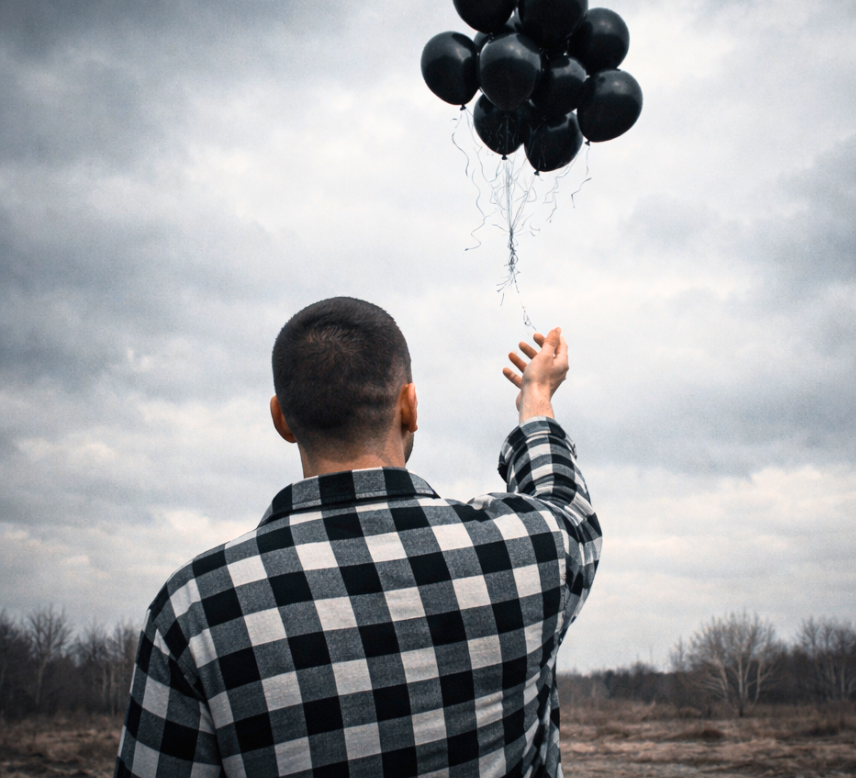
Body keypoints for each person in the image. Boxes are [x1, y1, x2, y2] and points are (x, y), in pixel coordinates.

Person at [115, 297, 601, 778]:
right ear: (409, 406)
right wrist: (536, 397)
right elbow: (564, 505)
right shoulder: (525, 555)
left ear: (281, 419)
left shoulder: (195, 609)